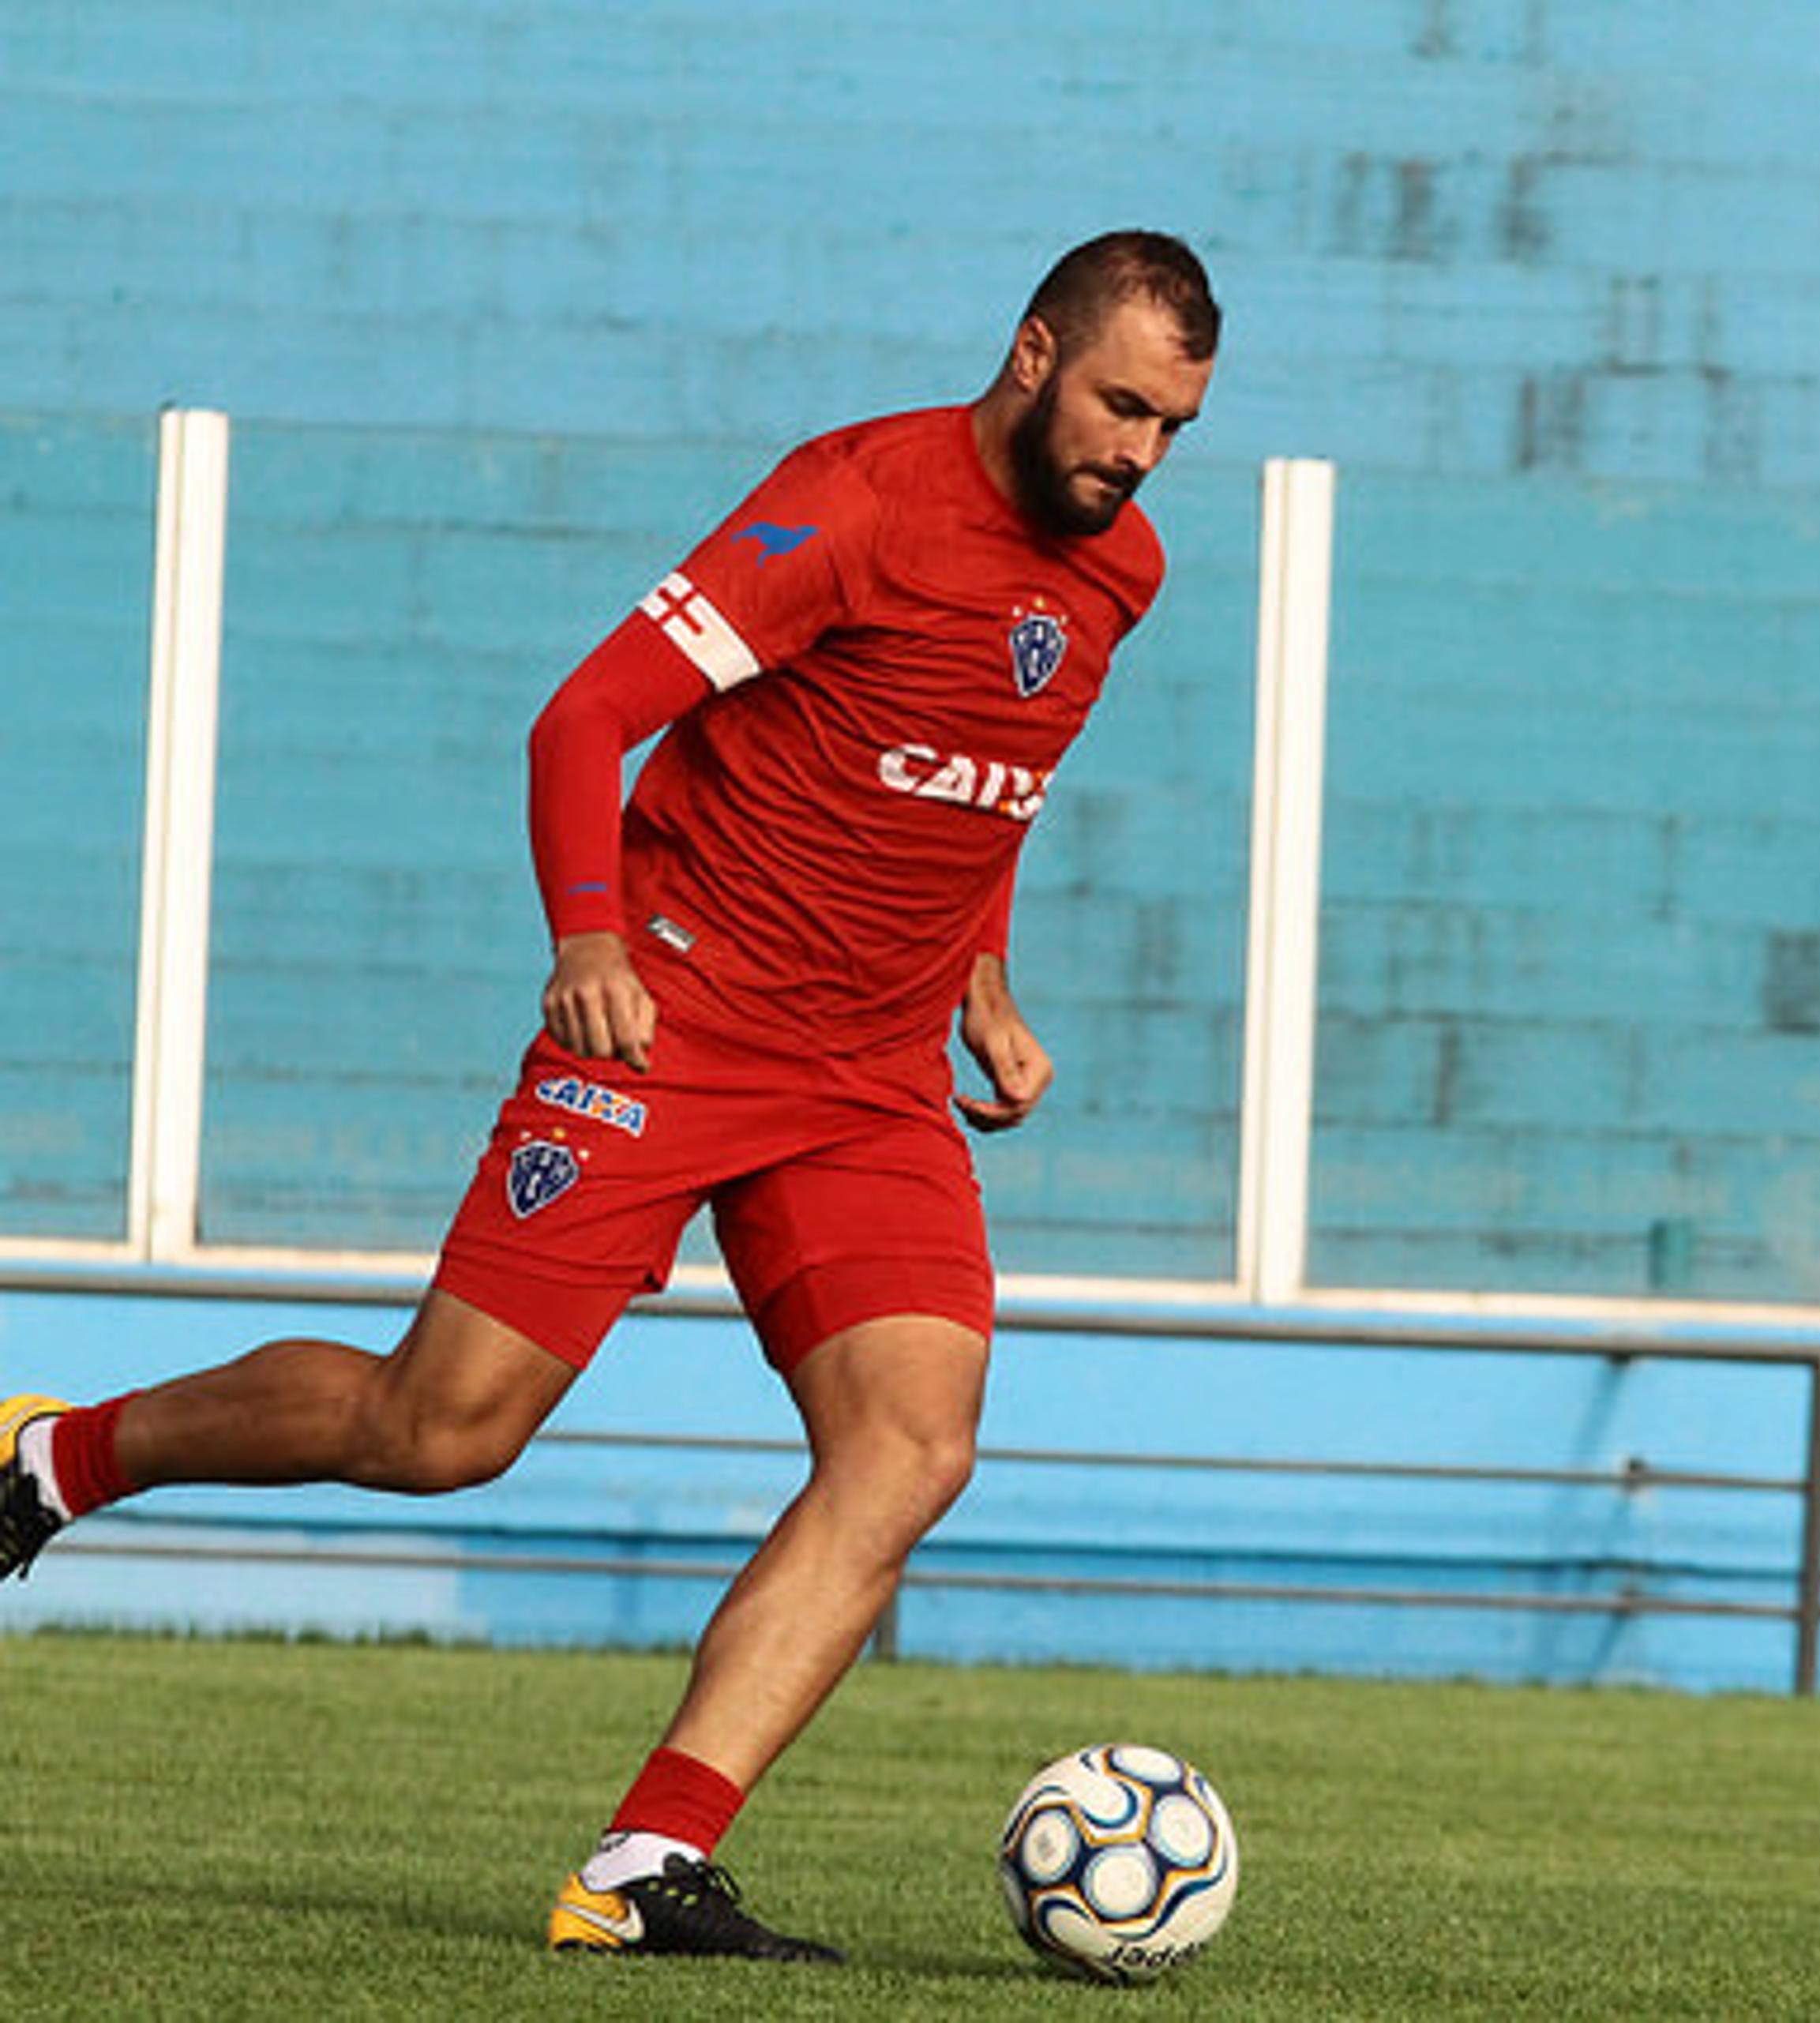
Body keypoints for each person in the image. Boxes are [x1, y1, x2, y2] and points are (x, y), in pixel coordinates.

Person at [0, 229, 1221, 1961]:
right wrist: (588, 936)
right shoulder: (852, 500)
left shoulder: (1121, 572)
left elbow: (972, 786)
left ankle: (646, 1866)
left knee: (908, 1449)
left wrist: (985, 991)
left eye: (1173, 426)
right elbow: (582, 721)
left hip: (868, 1084)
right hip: (676, 1017)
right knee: (443, 1432)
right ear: (1032, 354)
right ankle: (54, 1458)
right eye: (1120, 407)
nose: (1139, 453)